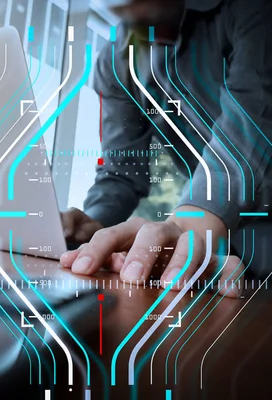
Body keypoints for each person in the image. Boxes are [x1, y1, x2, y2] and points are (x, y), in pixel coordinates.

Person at [59, 0, 272, 297]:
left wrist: (190, 223)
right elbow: (121, 170)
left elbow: (252, 119)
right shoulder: (116, 60)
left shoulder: (251, 12)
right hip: (222, 247)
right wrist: (97, 224)